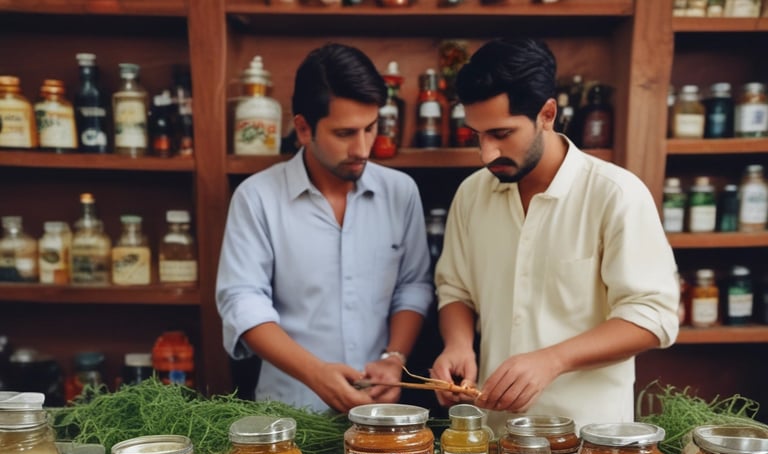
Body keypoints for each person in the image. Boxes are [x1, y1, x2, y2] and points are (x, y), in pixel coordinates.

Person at [431, 37, 680, 433]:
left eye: (501, 133)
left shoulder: (614, 194)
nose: (486, 154)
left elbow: (654, 315)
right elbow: (456, 289)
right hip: (495, 435)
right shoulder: (472, 194)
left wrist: (553, 359)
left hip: (591, 444)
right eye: (476, 134)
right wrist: (458, 344)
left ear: (547, 114)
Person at [216, 43, 433, 413]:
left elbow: (413, 285)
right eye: (345, 134)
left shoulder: (401, 192)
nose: (364, 148)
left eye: (371, 128)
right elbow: (242, 302)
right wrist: (314, 374)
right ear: (303, 128)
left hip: (380, 413)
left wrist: (395, 358)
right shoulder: (257, 198)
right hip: (290, 413)